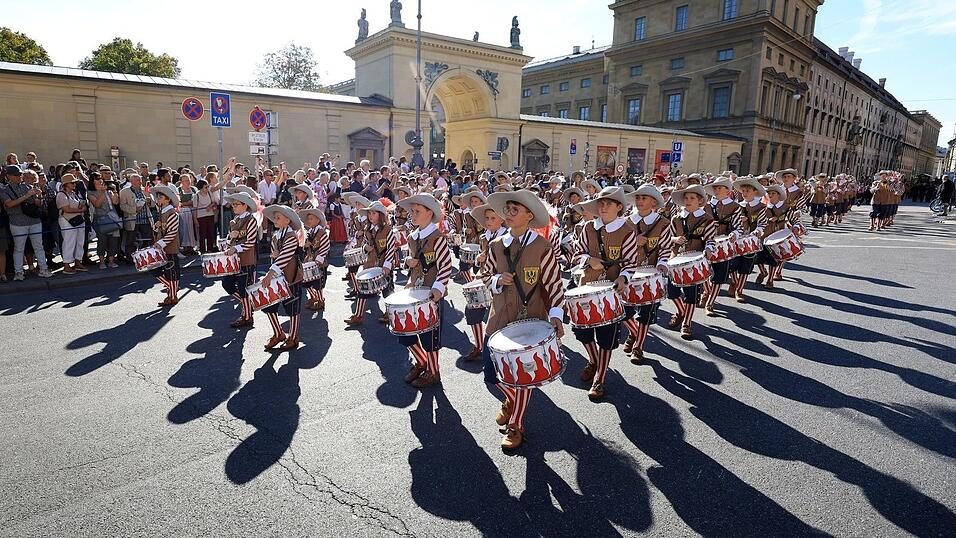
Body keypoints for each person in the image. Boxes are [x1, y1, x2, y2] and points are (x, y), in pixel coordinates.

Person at [481, 190, 565, 450]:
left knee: (522, 376)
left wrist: (556, 316)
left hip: (531, 319)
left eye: (514, 208)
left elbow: (553, 283)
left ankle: (516, 424)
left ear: (529, 215)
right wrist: (496, 280)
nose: (508, 212)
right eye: (507, 208)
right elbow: (484, 275)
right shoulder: (496, 244)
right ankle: (510, 401)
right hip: (499, 318)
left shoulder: (542, 246)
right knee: (491, 374)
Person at [571, 186, 639, 400]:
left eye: (608, 203)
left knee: (606, 336)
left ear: (619, 207)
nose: (603, 206)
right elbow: (576, 255)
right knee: (581, 331)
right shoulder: (588, 227)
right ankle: (593, 360)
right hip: (587, 287)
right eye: (600, 202)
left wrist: (623, 278)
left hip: (611, 292)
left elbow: (630, 263)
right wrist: (588, 260)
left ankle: (600, 377)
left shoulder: (627, 230)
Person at [395, 193, 452, 388]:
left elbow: (445, 266)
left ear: (430, 213)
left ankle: (433, 372)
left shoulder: (437, 237)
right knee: (406, 331)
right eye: (412, 211)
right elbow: (411, 263)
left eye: (417, 211)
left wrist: (438, 288)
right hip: (414, 291)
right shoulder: (412, 237)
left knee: (430, 336)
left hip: (431, 294)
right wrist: (407, 262)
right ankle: (421, 361)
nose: (413, 214)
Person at [622, 184, 672, 361]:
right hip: (629, 272)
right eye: (638, 198)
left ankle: (638, 347)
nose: (640, 201)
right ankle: (635, 333)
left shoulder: (663, 223)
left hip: (651, 273)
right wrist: (633, 242)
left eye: (644, 198)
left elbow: (666, 247)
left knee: (646, 313)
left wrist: (662, 264)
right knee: (624, 312)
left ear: (653, 202)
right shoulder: (626, 222)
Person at [259, 205, 304, 351]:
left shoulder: (292, 236)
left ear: (287, 220)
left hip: (291, 276)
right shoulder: (275, 235)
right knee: (269, 304)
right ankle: (278, 333)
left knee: (292, 308)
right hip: (277, 276)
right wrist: (272, 271)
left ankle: (293, 337)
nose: (274, 220)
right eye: (274, 218)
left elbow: (283, 258)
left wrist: (269, 273)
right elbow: (275, 256)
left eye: (278, 218)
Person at [346, 201, 397, 325]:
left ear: (381, 215)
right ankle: (358, 316)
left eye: (373, 213)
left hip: (384, 264)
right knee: (363, 291)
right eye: (369, 213)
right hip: (369, 264)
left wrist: (387, 265)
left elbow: (391, 248)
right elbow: (364, 243)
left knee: (388, 291)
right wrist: (365, 248)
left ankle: (390, 313)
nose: (370, 216)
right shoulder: (367, 229)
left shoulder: (388, 230)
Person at [699, 175, 741, 317]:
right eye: (715, 188)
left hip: (724, 244)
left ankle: (710, 302)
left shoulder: (735, 206)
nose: (716, 190)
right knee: (703, 271)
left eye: (719, 188)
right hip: (705, 242)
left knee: (719, 275)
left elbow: (738, 227)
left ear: (728, 191)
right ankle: (707, 291)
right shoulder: (706, 205)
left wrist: (734, 234)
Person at [1, 166, 52, 279]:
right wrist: (27, 196)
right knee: (19, 248)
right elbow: (9, 204)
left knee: (39, 246)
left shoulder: (27, 186)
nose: (20, 177)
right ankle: (19, 272)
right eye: (16, 175)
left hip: (34, 221)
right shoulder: (5, 189)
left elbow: (37, 203)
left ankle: (43, 269)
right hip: (17, 222)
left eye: (20, 174)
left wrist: (39, 196)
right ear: (8, 176)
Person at [221, 193, 260, 328]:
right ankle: (248, 305)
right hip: (233, 261)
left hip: (247, 260)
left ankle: (247, 316)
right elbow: (229, 242)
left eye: (236, 204)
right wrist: (228, 239)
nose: (233, 207)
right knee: (227, 284)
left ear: (245, 205)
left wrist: (236, 248)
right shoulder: (234, 221)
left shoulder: (251, 220)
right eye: (233, 204)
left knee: (244, 289)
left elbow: (251, 242)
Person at [729, 177, 767, 302]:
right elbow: (732, 224)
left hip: (750, 241)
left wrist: (756, 230)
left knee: (746, 266)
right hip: (737, 239)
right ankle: (734, 282)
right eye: (743, 191)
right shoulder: (737, 206)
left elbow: (762, 224)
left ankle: (739, 290)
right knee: (732, 265)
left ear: (755, 192)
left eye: (747, 191)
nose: (744, 193)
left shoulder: (761, 207)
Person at [150, 185, 181, 307]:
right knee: (155, 269)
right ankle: (173, 289)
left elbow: (172, 232)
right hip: (162, 247)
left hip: (170, 247)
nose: (157, 199)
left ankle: (172, 296)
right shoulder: (162, 212)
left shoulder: (172, 213)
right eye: (157, 196)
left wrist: (160, 243)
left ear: (168, 199)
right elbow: (160, 230)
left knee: (171, 272)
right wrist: (155, 226)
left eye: (160, 197)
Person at [55, 174, 88, 274]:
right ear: (66, 184)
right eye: (72, 183)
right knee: (69, 242)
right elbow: (66, 209)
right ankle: (67, 264)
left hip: (78, 220)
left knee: (80, 241)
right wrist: (79, 210)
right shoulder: (61, 195)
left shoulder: (74, 194)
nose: (74, 184)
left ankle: (78, 262)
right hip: (66, 221)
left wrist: (81, 209)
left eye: (75, 182)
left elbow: (83, 206)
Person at [300, 208, 330, 311]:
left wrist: (319, 259)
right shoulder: (310, 232)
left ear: (318, 220)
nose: (309, 221)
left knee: (318, 283)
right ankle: (314, 297)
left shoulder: (322, 232)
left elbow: (325, 246)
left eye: (311, 219)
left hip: (319, 262)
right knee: (307, 281)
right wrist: (306, 245)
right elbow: (305, 246)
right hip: (310, 260)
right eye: (308, 219)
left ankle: (321, 301)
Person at [88, 175, 121, 269]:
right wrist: (102, 192)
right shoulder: (91, 192)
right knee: (102, 241)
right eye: (97, 179)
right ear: (92, 181)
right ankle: (102, 262)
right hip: (100, 219)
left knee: (114, 240)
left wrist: (114, 191)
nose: (100, 181)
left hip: (113, 218)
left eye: (100, 179)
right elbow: (97, 204)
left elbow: (115, 202)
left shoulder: (108, 191)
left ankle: (111, 261)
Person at [194, 177, 221, 254]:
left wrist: (210, 206)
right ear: (201, 188)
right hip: (201, 217)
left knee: (210, 232)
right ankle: (202, 250)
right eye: (205, 187)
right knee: (202, 234)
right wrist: (195, 219)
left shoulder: (209, 193)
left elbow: (214, 202)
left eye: (207, 187)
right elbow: (195, 208)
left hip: (210, 215)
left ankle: (210, 248)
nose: (207, 188)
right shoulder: (196, 196)